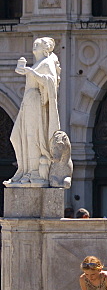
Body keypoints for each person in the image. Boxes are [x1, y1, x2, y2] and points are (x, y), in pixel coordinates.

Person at [4, 37, 61, 187]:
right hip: (27, 101)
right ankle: (24, 170)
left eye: (37, 45)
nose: (33, 47)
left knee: (33, 137)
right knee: (17, 137)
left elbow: (51, 82)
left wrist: (32, 73)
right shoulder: (38, 63)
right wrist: (26, 72)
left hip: (36, 101)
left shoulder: (47, 62)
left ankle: (34, 172)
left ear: (45, 49)